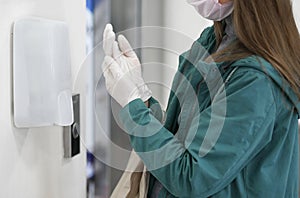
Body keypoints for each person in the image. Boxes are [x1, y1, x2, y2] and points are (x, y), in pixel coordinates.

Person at [102, 0, 300, 197]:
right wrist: (142, 98)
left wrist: (134, 108)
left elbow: (192, 177)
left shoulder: (256, 82)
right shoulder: (213, 41)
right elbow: (180, 139)